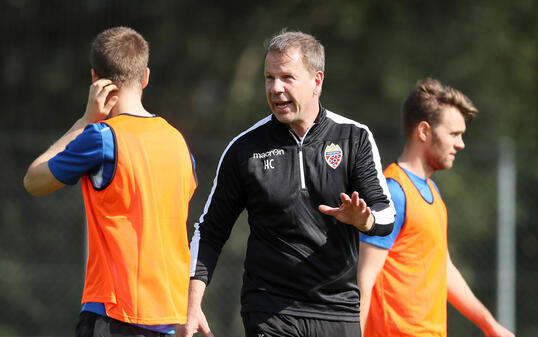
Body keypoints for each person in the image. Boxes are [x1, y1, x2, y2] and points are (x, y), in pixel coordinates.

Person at [181, 30, 395, 337]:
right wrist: (193, 304)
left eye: (287, 78)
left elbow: (386, 215)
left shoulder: (353, 138)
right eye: (269, 78)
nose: (275, 88)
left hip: (338, 309)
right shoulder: (245, 148)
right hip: (269, 309)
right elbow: (210, 230)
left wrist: (366, 220)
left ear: (316, 81)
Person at [23, 26, 197, 337]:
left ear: (95, 79)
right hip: (167, 317)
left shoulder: (102, 138)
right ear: (145, 77)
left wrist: (84, 121)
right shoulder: (178, 143)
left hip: (112, 314)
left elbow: (34, 180)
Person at [357, 78, 515, 337]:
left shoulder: (432, 192)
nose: (461, 144)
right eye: (454, 134)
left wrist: (489, 324)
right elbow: (364, 279)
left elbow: (443, 267)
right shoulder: (393, 193)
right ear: (424, 131)